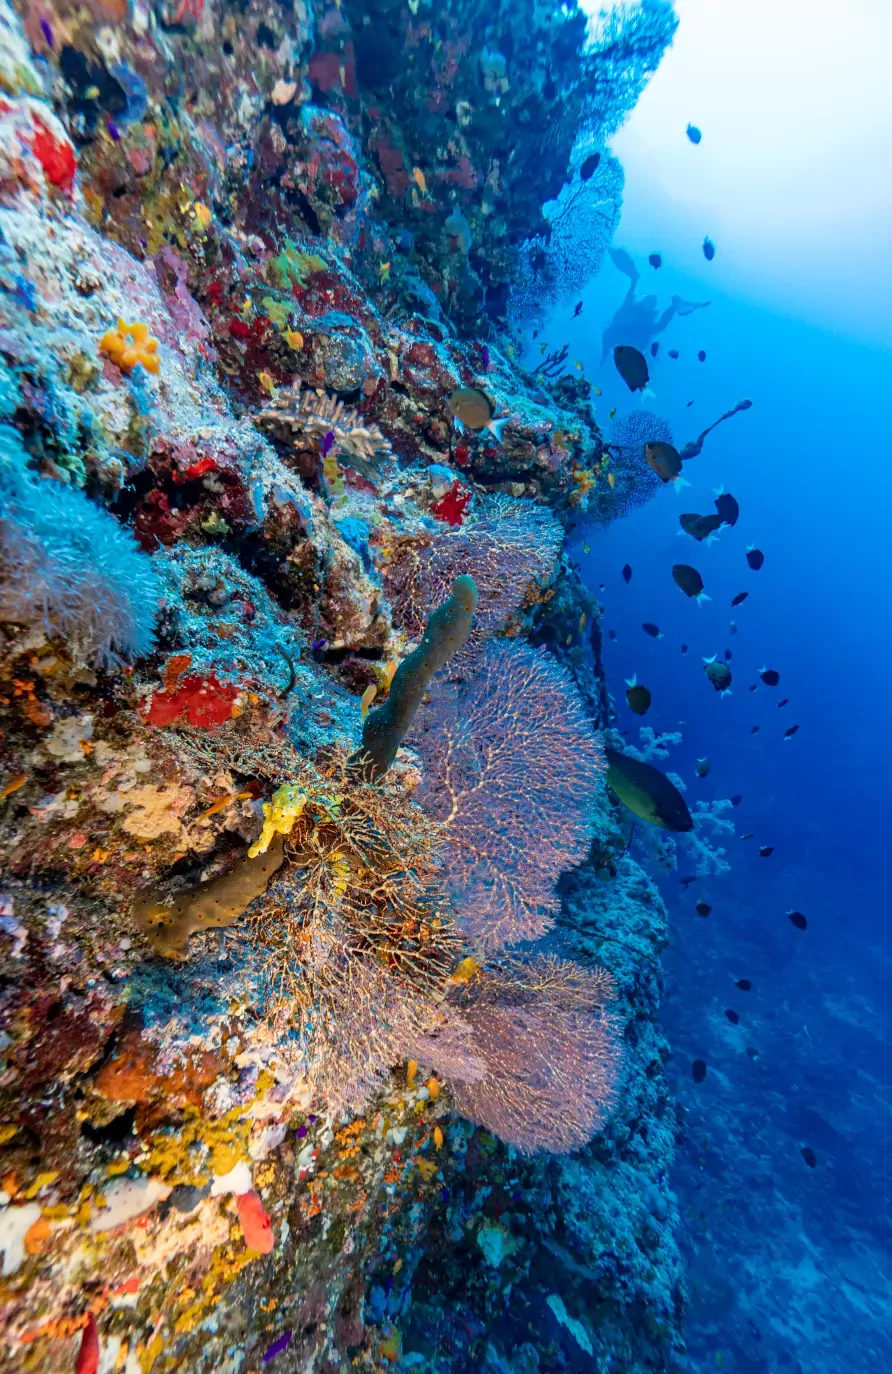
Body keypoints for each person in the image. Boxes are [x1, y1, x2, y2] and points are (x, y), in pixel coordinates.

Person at [600, 247, 710, 361]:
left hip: (630, 345)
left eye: (650, 303)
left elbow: (661, 324)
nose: (649, 304)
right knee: (624, 315)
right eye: (648, 301)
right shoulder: (633, 314)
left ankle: (608, 356)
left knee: (625, 316)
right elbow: (660, 324)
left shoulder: (641, 320)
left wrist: (673, 308)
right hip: (625, 342)